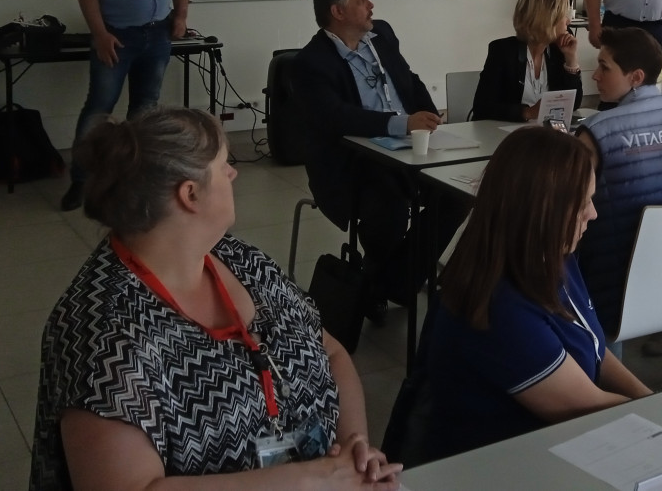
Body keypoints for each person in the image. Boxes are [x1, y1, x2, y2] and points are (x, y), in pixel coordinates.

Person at [31, 107, 399, 491]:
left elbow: (332, 353)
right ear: (189, 194)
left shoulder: (239, 259)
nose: (233, 173)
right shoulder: (103, 332)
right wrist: (308, 480)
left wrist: (355, 455)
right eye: (224, 164)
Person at [418, 127, 652, 461]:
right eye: (583, 202)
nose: (594, 213)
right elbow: (589, 406)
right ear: (544, 211)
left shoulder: (555, 255)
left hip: (555, 448)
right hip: (501, 470)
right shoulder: (501, 309)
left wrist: (648, 396)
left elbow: (596, 351)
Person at [291, 0, 462, 313]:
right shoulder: (310, 63)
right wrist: (401, 123)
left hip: (411, 144)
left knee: (457, 192)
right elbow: (338, 118)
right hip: (353, 162)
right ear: (338, 12)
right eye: (361, 0)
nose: (371, 6)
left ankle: (390, 280)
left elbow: (408, 80)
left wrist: (426, 112)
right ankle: (391, 279)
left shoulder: (381, 34)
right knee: (388, 204)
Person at [63, 0, 190, 212]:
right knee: (99, 108)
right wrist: (99, 34)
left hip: (158, 32)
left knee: (145, 109)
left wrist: (180, 14)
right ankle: (81, 182)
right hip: (116, 36)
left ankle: (136, 180)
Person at [574, 28, 662, 339]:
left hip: (613, 273)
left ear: (635, 77)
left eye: (605, 68)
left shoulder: (598, 129)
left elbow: (562, 197)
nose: (595, 76)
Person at [471, 0, 583, 122]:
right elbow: (482, 108)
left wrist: (571, 59)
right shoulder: (503, 51)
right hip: (508, 135)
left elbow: (573, 105)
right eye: (564, 15)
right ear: (547, 19)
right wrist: (527, 112)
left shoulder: (557, 51)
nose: (569, 21)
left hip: (544, 134)